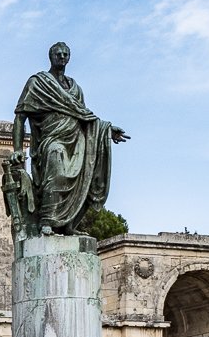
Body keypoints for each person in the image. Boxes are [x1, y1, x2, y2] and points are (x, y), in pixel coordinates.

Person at [10, 42, 128, 236]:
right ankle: (47, 220)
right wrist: (17, 149)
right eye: (58, 54)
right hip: (52, 139)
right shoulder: (38, 83)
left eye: (65, 54)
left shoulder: (75, 88)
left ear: (69, 58)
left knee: (84, 179)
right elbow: (20, 116)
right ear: (51, 56)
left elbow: (84, 116)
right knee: (56, 172)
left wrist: (107, 129)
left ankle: (67, 226)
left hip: (77, 141)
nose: (62, 57)